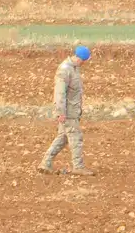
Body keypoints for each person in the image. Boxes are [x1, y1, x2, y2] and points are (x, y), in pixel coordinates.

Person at [38, 46, 95, 176]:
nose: (85, 63)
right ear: (80, 58)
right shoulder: (65, 70)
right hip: (68, 112)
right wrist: (61, 112)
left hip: (72, 110)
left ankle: (45, 163)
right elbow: (59, 93)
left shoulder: (74, 68)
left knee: (63, 138)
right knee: (76, 137)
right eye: (85, 60)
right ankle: (78, 166)